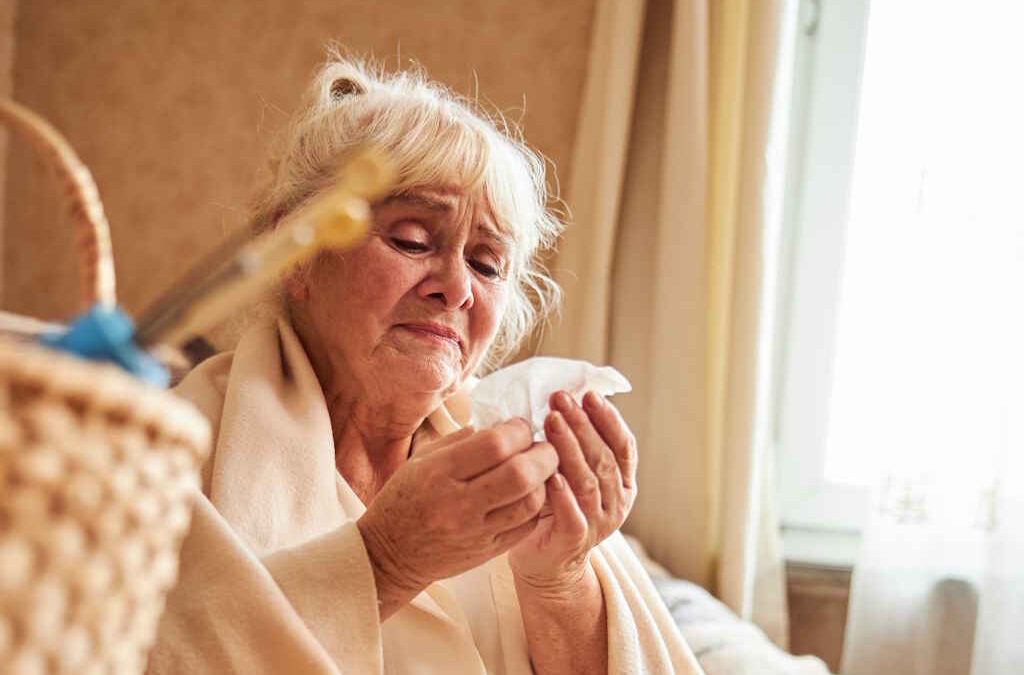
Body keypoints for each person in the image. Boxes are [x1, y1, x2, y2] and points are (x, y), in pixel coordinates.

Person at [148, 55, 703, 674]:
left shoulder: (520, 457)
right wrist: (384, 561)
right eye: (412, 240)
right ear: (298, 255)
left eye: (488, 264)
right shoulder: (160, 453)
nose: (457, 288)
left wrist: (559, 577)